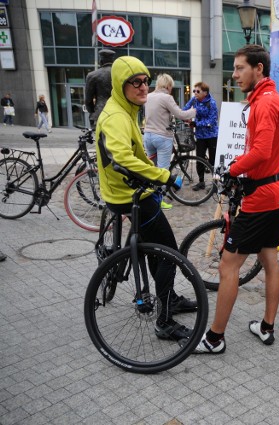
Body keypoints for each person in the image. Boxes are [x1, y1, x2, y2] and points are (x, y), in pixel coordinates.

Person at [195, 44, 279, 354]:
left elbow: (261, 151)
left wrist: (231, 169)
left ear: (258, 69)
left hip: (261, 197)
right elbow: (265, 151)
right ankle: (267, 328)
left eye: (239, 68)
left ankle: (214, 338)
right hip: (277, 193)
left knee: (228, 266)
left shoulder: (263, 104)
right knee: (268, 258)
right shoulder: (271, 99)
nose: (234, 75)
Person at [95, 56, 197, 342]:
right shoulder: (116, 116)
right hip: (130, 195)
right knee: (169, 253)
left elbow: (133, 153)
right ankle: (164, 321)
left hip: (128, 190)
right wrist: (162, 176)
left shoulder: (126, 109)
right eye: (135, 82)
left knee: (156, 250)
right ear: (120, 84)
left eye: (145, 81)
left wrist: (149, 168)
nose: (142, 87)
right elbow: (122, 157)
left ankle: (170, 298)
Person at [143, 73, 196, 210]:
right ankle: (159, 201)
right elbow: (181, 114)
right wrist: (195, 111)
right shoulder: (166, 97)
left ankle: (150, 197)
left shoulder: (148, 96)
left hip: (148, 136)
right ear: (167, 85)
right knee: (162, 171)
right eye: (171, 86)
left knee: (152, 169)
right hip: (162, 137)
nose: (171, 89)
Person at [183, 82, 218, 192]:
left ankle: (215, 185)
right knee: (199, 159)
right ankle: (201, 182)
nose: (195, 93)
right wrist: (186, 117)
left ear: (205, 93)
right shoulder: (194, 100)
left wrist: (197, 123)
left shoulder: (212, 103)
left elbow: (212, 121)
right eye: (194, 91)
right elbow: (184, 109)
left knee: (213, 161)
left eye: (198, 91)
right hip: (200, 136)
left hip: (212, 135)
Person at [85, 49, 116, 128]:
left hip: (100, 112)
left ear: (101, 61)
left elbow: (88, 100)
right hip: (117, 112)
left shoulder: (92, 75)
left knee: (101, 139)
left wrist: (92, 111)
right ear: (113, 61)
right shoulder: (120, 74)